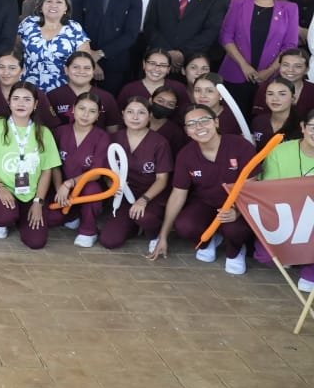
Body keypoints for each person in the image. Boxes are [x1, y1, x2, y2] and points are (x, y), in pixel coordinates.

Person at [149, 104, 257, 275]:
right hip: (206, 203)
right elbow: (178, 194)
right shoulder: (186, 154)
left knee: (234, 229)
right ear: (187, 131)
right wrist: (163, 236)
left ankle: (235, 251)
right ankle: (209, 240)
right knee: (185, 225)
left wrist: (237, 211)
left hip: (238, 205)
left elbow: (252, 186)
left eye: (204, 121)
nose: (198, 127)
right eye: (191, 124)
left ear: (216, 122)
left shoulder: (240, 146)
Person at [0, 81, 64, 248]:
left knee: (36, 242)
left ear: (35, 104)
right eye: (16, 99)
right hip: (0, 186)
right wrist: (0, 187)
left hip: (30, 192)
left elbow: (46, 171)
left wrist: (38, 202)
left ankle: (20, 214)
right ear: (9, 102)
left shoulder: (44, 133)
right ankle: (5, 218)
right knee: (5, 217)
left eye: (27, 99)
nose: (21, 104)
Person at [219, 0, 299, 115]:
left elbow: (290, 45)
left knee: (261, 120)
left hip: (271, 76)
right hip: (236, 71)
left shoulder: (290, 8)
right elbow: (226, 36)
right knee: (234, 119)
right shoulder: (238, 3)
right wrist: (244, 66)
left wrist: (269, 71)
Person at [100, 97, 174, 251]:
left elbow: (162, 179)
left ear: (149, 116)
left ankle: (153, 233)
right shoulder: (114, 139)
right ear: (123, 114)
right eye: (130, 112)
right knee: (109, 241)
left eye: (141, 113)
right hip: (124, 196)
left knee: (145, 217)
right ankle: (133, 226)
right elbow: (107, 172)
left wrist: (144, 200)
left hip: (151, 196)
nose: (135, 117)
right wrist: (111, 185)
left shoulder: (159, 142)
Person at [71, 0, 142, 94]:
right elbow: (75, 28)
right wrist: (89, 57)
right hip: (83, 63)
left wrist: (100, 54)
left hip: (116, 63)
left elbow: (131, 34)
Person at [258, 107, 314, 292]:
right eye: (313, 127)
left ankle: (309, 266)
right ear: (303, 127)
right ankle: (297, 256)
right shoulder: (281, 151)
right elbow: (269, 190)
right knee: (265, 257)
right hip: (284, 214)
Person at [51, 92, 111, 248]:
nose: (85, 115)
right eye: (81, 108)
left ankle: (88, 231)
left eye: (92, 111)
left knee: (92, 189)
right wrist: (59, 187)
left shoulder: (102, 137)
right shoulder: (59, 132)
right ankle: (73, 215)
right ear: (73, 110)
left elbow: (97, 172)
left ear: (98, 115)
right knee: (51, 219)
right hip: (60, 188)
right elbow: (53, 164)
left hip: (86, 188)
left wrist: (70, 183)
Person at [17, 0, 90, 93]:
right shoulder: (28, 23)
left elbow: (84, 60)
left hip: (62, 90)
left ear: (66, 7)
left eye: (59, 2)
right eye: (49, 1)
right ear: (41, 6)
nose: (53, 5)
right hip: (29, 89)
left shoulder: (74, 28)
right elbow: (14, 50)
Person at [46, 51, 120, 130]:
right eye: (76, 67)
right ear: (66, 70)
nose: (81, 71)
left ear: (93, 71)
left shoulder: (106, 97)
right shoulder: (53, 96)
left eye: (87, 68)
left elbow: (113, 130)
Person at [250, 77, 302, 144]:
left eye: (282, 94)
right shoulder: (258, 121)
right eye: (270, 94)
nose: (275, 99)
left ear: (293, 98)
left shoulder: (302, 125)